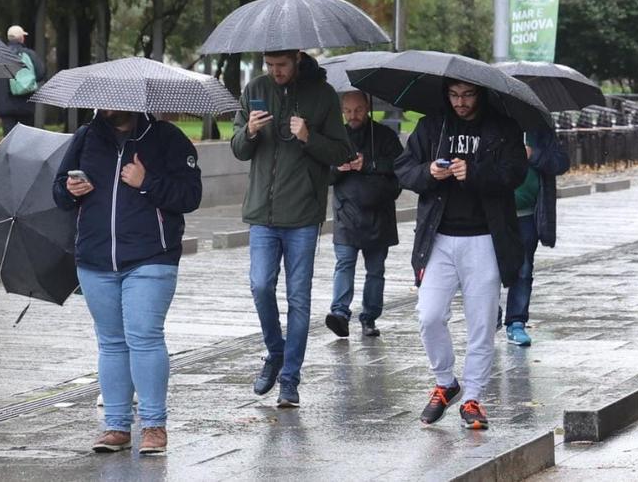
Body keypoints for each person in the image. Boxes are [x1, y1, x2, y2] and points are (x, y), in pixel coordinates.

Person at [53, 110, 202, 455]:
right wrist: (71, 189)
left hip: (151, 257)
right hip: (95, 258)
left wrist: (146, 182)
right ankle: (117, 427)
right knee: (110, 342)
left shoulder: (167, 137)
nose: (108, 107)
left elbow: (190, 195)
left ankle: (153, 425)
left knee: (145, 337)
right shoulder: (87, 136)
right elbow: (58, 192)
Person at [395, 79, 526, 429]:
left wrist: (475, 173)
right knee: (428, 315)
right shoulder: (432, 126)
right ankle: (446, 382)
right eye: (454, 95)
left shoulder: (502, 128)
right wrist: (429, 172)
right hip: (438, 237)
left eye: (467, 94)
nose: (461, 102)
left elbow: (515, 173)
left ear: (480, 93)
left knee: (481, 323)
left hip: (485, 237)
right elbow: (403, 169)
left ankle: (473, 398)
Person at [231, 49, 353, 408]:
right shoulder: (255, 88)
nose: (275, 71)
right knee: (260, 285)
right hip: (261, 215)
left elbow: (342, 152)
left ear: (297, 59)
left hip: (302, 215)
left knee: (298, 299)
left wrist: (308, 136)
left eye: (281, 65)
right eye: (269, 65)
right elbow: (238, 149)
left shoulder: (323, 95)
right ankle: (275, 352)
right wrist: (250, 131)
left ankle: (289, 379)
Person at [325, 91, 403, 339]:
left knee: (375, 270)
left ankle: (369, 317)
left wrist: (367, 163)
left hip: (379, 215)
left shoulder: (385, 136)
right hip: (346, 213)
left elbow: (401, 168)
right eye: (347, 111)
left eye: (357, 110)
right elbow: (322, 174)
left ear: (367, 107)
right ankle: (339, 313)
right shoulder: (336, 137)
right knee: (344, 263)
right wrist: (338, 169)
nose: (353, 116)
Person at [503, 128, 570, 347]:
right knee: (485, 270)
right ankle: (488, 314)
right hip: (491, 214)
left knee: (523, 269)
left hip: (527, 215)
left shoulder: (539, 129)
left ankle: (516, 322)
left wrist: (533, 154)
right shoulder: (489, 124)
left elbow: (561, 162)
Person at [0, 25, 44, 135]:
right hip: (25, 105)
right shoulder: (30, 55)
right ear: (22, 38)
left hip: (4, 105)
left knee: (9, 138)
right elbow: (40, 74)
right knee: (25, 138)